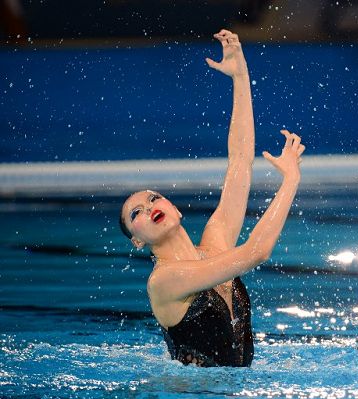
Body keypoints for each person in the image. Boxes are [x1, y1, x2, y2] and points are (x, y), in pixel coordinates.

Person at [119, 30, 305, 367]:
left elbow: (239, 161)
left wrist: (240, 77)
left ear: (174, 208)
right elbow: (256, 252)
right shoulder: (164, 281)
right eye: (137, 213)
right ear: (137, 241)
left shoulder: (215, 245)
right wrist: (290, 180)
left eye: (154, 199)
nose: (149, 208)